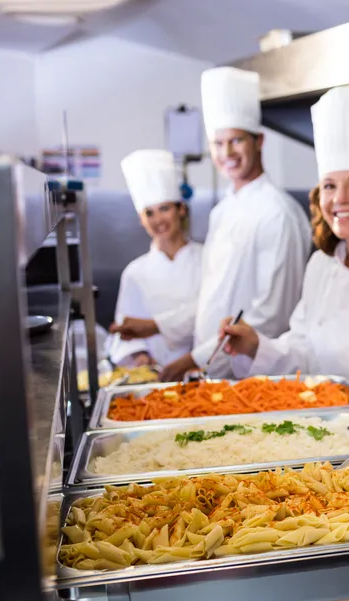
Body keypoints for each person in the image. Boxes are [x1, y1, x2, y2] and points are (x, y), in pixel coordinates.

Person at [111, 67, 311, 381]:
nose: (227, 153)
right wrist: (167, 335)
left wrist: (195, 359)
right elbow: (211, 301)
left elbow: (271, 317)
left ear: (259, 141)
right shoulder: (223, 211)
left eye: (235, 141)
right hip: (216, 374)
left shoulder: (277, 213)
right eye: (218, 144)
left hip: (252, 377)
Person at [220, 86, 349, 378]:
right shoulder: (320, 265)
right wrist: (255, 345)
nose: (340, 199)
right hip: (318, 419)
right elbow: (302, 350)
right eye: (330, 185)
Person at [108, 149, 202, 368]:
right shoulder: (135, 272)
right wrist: (140, 356)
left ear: (181, 210)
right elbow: (126, 335)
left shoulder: (208, 259)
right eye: (149, 213)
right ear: (141, 220)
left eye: (164, 208)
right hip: (156, 376)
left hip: (202, 370)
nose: (158, 219)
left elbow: (213, 315)